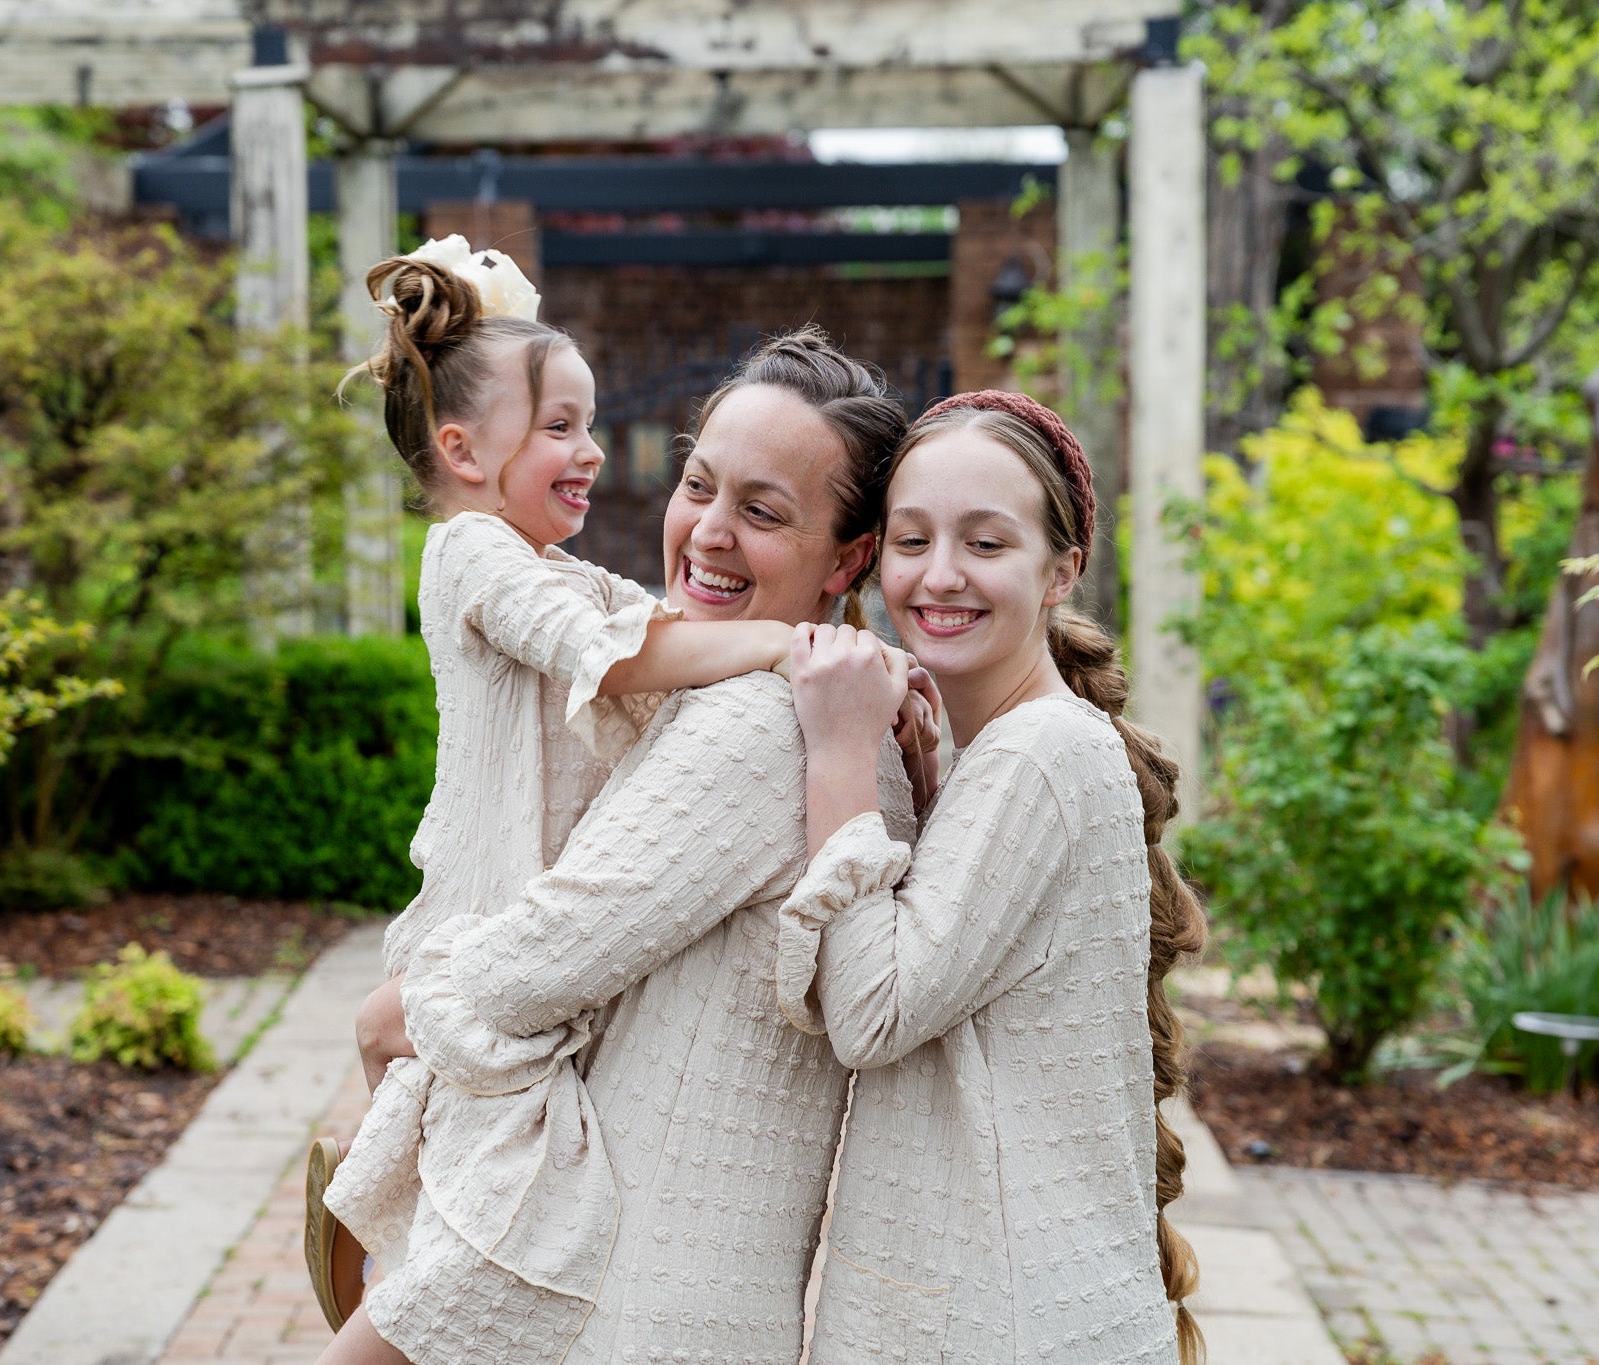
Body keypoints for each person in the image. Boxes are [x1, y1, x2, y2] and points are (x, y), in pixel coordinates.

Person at [372, 330, 927, 1362]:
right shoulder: (817, 713)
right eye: (698, 485)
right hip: (657, 1295)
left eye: (759, 512)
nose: (706, 533)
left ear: (848, 558)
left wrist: (395, 1008)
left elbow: (525, 971)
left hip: (624, 1304)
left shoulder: (763, 726)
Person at [304, 237, 811, 1365]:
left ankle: (367, 1209)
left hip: (505, 929)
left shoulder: (538, 560)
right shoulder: (473, 555)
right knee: (481, 1235)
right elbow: (617, 655)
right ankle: (364, 1225)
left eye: (584, 424)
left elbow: (648, 625)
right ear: (462, 450)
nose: (590, 452)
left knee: (465, 1197)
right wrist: (781, 637)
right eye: (559, 427)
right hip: (480, 919)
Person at [778, 390, 1208, 1363]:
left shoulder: (1037, 755)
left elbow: (869, 1013)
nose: (937, 576)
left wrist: (836, 752)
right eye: (912, 538)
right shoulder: (1002, 752)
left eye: (984, 544)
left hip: (998, 1323)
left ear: (1061, 571)